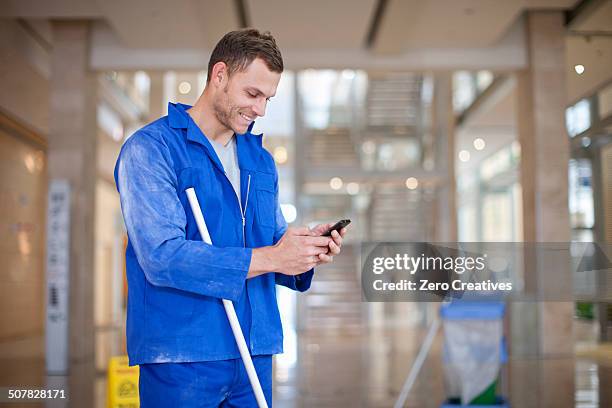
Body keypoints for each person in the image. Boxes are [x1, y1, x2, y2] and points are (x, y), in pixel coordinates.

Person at [114, 28, 347, 407]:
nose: (260, 110)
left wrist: (302, 252)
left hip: (255, 351)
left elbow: (272, 247)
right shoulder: (151, 149)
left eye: (268, 98)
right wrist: (272, 256)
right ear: (219, 75)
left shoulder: (260, 161)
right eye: (252, 94)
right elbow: (161, 257)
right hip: (183, 357)